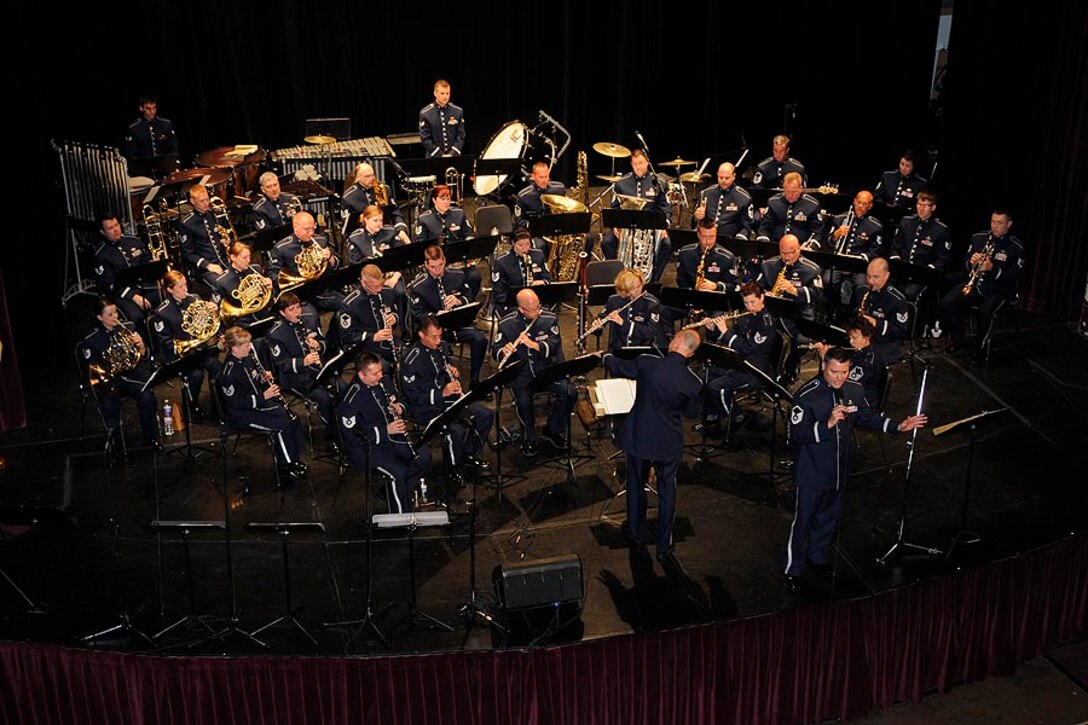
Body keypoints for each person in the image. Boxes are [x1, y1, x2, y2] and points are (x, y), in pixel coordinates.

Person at [784, 347, 926, 592]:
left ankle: (816, 558)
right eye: (833, 372)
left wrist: (896, 426)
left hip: (839, 469)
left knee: (828, 518)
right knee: (803, 522)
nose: (839, 377)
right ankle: (793, 569)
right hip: (812, 472)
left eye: (844, 372)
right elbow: (796, 436)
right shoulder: (806, 397)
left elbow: (867, 417)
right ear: (822, 367)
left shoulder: (854, 389)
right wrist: (826, 423)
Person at [602, 329, 703, 560]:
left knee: (635, 485)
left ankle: (636, 533)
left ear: (677, 341)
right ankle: (664, 546)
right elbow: (691, 413)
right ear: (691, 353)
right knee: (668, 492)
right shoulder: (692, 382)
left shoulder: (648, 364)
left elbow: (619, 367)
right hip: (668, 442)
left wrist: (604, 356)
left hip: (640, 437)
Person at [399, 316, 493, 486]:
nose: (439, 340)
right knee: (455, 430)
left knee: (485, 414)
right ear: (421, 335)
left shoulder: (441, 347)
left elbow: (444, 366)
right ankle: (453, 467)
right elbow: (413, 398)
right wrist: (441, 392)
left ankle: (469, 453)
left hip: (449, 399)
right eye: (434, 337)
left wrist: (452, 371)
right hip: (425, 407)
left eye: (440, 336)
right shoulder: (411, 360)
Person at [338, 352, 432, 513]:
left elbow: (401, 398)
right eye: (375, 374)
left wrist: (399, 407)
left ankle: (397, 491)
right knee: (398, 471)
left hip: (391, 438)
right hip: (367, 448)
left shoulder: (384, 381)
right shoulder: (350, 400)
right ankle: (401, 515)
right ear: (361, 374)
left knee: (423, 456)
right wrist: (385, 431)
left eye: (381, 371)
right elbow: (352, 439)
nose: (380, 376)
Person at [218, 326, 308, 480]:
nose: (250, 348)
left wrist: (262, 377)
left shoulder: (246, 359)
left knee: (293, 418)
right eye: (246, 345)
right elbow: (236, 403)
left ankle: (295, 458)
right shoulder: (229, 373)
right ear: (235, 348)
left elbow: (253, 380)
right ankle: (285, 465)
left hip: (257, 404)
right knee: (282, 425)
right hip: (242, 414)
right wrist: (264, 396)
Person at [493, 288, 574, 457]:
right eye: (532, 309)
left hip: (546, 369)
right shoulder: (506, 324)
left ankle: (553, 429)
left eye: (538, 306)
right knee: (523, 401)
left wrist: (534, 345)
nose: (538, 311)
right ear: (521, 309)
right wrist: (504, 351)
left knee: (570, 393)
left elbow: (554, 345)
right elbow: (496, 350)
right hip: (522, 374)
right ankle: (529, 437)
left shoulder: (549, 318)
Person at [940, 210, 1025, 364]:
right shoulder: (979, 238)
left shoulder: (1015, 247)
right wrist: (971, 261)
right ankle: (958, 340)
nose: (995, 226)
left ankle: (981, 351)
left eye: (1000, 223)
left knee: (985, 311)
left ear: (1009, 225)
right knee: (948, 301)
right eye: (993, 222)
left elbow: (1012, 277)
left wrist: (992, 268)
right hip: (976, 284)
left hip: (999, 290)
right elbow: (965, 263)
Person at [80, 298, 161, 452]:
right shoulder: (92, 339)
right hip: (109, 381)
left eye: (115, 312)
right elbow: (90, 368)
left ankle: (151, 436)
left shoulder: (128, 327)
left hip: (131, 375)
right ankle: (116, 444)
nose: (115, 317)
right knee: (111, 404)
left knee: (147, 396)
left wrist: (142, 347)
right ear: (100, 317)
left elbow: (146, 356)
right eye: (110, 315)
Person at [267, 292, 339, 454]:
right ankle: (332, 436)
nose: (297, 312)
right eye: (292, 309)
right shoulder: (275, 333)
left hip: (316, 370)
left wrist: (319, 346)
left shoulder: (308, 321)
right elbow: (281, 364)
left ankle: (347, 429)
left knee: (342, 388)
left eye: (298, 307)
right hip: (294, 378)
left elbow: (325, 343)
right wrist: (303, 362)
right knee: (324, 398)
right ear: (282, 312)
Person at [702, 283, 779, 428]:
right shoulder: (746, 314)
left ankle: (738, 417)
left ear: (762, 297)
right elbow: (734, 336)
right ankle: (712, 417)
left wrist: (725, 332)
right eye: (746, 302)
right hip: (738, 362)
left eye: (752, 302)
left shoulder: (766, 323)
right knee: (705, 375)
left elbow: (747, 348)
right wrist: (714, 329)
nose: (749, 307)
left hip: (754, 370)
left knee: (716, 387)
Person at [408, 245, 487, 387]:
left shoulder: (458, 275)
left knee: (480, 340)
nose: (438, 271)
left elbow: (469, 296)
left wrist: (459, 301)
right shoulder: (417, 287)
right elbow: (418, 315)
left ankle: (475, 382)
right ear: (426, 265)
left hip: (457, 324)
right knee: (442, 347)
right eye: (433, 267)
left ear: (444, 260)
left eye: (440, 265)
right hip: (435, 331)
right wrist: (435, 316)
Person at [151, 270, 223, 420]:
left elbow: (207, 324)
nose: (186, 290)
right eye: (180, 287)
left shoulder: (194, 299)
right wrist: (189, 346)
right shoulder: (162, 312)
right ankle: (193, 404)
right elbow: (166, 342)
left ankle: (219, 404)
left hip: (199, 349)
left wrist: (212, 313)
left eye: (185, 285)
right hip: (179, 355)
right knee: (195, 374)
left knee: (217, 367)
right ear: (170, 290)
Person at [758, 234, 823, 382]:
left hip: (798, 313)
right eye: (783, 253)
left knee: (801, 341)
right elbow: (757, 288)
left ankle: (790, 368)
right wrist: (764, 293)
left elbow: (817, 295)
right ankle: (765, 369)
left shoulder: (812, 269)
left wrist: (794, 290)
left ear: (799, 249)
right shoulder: (768, 265)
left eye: (791, 253)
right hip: (772, 311)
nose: (787, 257)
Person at [601, 149, 672, 282]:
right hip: (626, 227)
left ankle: (653, 278)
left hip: (650, 228)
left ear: (647, 163)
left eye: (640, 163)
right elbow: (614, 208)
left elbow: (666, 208)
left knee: (667, 244)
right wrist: (615, 225)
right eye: (634, 164)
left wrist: (664, 227)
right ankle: (617, 278)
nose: (637, 167)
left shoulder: (660, 183)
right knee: (607, 242)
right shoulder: (621, 183)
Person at [660, 218, 740, 333]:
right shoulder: (685, 252)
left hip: (714, 303)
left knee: (718, 322)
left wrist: (716, 286)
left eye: (712, 236)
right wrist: (692, 293)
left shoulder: (727, 257)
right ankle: (669, 343)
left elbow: (733, 286)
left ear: (716, 234)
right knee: (663, 311)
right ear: (698, 234)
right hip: (691, 299)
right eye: (704, 237)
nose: (708, 241)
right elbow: (681, 280)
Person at [92, 212, 160, 332]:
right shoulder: (101, 255)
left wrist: (153, 264)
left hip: (143, 285)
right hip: (121, 294)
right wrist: (133, 296)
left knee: (166, 295)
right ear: (102, 232)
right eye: (110, 228)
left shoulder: (133, 241)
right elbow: (110, 285)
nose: (116, 230)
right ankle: (146, 347)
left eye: (117, 225)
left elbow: (146, 259)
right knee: (136, 317)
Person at [414, 184, 482, 299]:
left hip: (459, 260)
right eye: (442, 199)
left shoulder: (459, 213)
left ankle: (468, 302)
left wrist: (470, 246)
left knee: (475, 277)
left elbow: (468, 234)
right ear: (434, 200)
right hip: (437, 263)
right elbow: (420, 244)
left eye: (448, 198)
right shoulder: (424, 219)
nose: (446, 202)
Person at [821, 191, 885, 309]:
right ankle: (834, 308)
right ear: (854, 201)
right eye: (859, 202)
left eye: (864, 204)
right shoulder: (840, 218)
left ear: (870, 206)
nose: (860, 206)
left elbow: (874, 252)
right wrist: (836, 235)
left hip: (859, 266)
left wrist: (854, 263)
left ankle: (854, 311)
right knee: (827, 280)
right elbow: (827, 244)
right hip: (838, 263)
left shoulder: (875, 226)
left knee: (862, 286)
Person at [270, 211, 343, 313]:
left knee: (347, 304)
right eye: (306, 229)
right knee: (310, 316)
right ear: (295, 227)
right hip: (299, 296)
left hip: (323, 291)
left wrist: (330, 259)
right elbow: (273, 274)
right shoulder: (282, 248)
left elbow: (338, 262)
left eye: (313, 228)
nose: (311, 232)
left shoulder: (320, 240)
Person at [888, 191, 951, 300]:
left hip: (922, 275)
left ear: (933, 207)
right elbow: (895, 247)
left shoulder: (941, 229)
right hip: (901, 270)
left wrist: (927, 270)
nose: (921, 209)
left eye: (925, 206)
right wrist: (896, 261)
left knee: (910, 293)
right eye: (919, 204)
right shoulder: (906, 221)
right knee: (885, 286)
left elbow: (941, 260)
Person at [338, 264, 400, 369]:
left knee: (406, 358)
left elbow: (395, 311)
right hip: (363, 347)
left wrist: (394, 318)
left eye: (381, 284)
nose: (380, 289)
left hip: (387, 340)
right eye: (374, 287)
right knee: (384, 367)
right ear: (363, 283)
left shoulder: (387, 291)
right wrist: (373, 337)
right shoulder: (350, 304)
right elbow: (347, 336)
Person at [813, 316, 884, 404]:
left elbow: (841, 382)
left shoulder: (869, 360)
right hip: (847, 393)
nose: (851, 342)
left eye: (855, 338)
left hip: (861, 401)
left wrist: (826, 360)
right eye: (850, 337)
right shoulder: (853, 350)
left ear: (867, 337)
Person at [588, 267, 662, 351]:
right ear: (624, 289)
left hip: (641, 350)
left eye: (639, 286)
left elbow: (649, 332)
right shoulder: (613, 300)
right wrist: (597, 325)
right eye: (632, 288)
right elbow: (602, 317)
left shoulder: (651, 304)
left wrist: (623, 323)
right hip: (617, 349)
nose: (637, 291)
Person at [853, 257, 909, 364]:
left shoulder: (896, 299)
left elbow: (900, 332)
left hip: (885, 343)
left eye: (875, 277)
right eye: (868, 276)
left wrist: (877, 323)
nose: (870, 281)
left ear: (886, 276)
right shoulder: (862, 290)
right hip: (864, 338)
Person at [341, 162, 410, 243]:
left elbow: (395, 211)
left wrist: (400, 229)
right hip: (362, 236)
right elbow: (348, 226)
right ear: (358, 177)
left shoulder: (384, 189)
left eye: (373, 175)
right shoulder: (349, 197)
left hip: (385, 232)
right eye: (367, 176)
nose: (372, 179)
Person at [211, 241, 276, 325]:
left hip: (264, 314)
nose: (248, 260)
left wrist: (271, 288)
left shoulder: (256, 269)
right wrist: (213, 306)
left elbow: (271, 296)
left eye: (249, 256)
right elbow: (215, 305)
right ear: (233, 257)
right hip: (242, 321)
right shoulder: (222, 282)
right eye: (244, 258)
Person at [755, 172, 825, 249]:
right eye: (787, 191)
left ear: (800, 188)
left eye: (794, 192)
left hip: (801, 247)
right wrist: (764, 245)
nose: (790, 195)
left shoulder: (812, 205)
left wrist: (810, 246)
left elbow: (817, 232)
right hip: (775, 245)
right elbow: (764, 227)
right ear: (783, 188)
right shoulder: (773, 202)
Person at [491, 228, 551, 316]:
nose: (525, 248)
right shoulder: (502, 262)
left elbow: (548, 278)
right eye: (520, 245)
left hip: (535, 301)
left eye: (528, 244)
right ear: (513, 243)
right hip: (512, 304)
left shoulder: (538, 255)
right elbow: (499, 292)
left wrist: (542, 282)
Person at [179, 184, 231, 286]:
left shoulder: (215, 214)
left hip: (226, 261)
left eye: (207, 199)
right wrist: (207, 265)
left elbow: (225, 234)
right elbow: (187, 254)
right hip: (206, 269)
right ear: (193, 201)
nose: (206, 203)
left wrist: (227, 240)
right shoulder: (187, 223)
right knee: (224, 284)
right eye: (201, 201)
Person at [692, 162, 754, 239]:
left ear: (733, 176)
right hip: (706, 237)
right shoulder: (705, 193)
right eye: (721, 177)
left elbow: (747, 225)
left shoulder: (744, 198)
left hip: (730, 238)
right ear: (717, 175)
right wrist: (696, 217)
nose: (723, 180)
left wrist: (740, 239)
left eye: (727, 178)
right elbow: (693, 222)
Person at [514, 161, 568, 246]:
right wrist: (536, 225)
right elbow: (519, 221)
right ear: (533, 177)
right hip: (535, 232)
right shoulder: (524, 196)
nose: (544, 180)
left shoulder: (560, 189)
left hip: (557, 229)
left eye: (546, 177)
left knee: (588, 238)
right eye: (541, 177)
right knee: (540, 245)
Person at [122, 95, 177, 160]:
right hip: (143, 167)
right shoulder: (134, 128)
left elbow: (173, 149)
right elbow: (131, 155)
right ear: (141, 108)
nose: (152, 111)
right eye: (148, 108)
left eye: (154, 108)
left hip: (165, 165)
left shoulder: (166, 124)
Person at [418, 79, 464, 158]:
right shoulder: (425, 113)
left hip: (454, 157)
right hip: (434, 158)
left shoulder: (457, 111)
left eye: (447, 93)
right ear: (435, 93)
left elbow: (460, 135)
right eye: (442, 93)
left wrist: (452, 153)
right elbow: (425, 139)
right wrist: (440, 154)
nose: (445, 96)